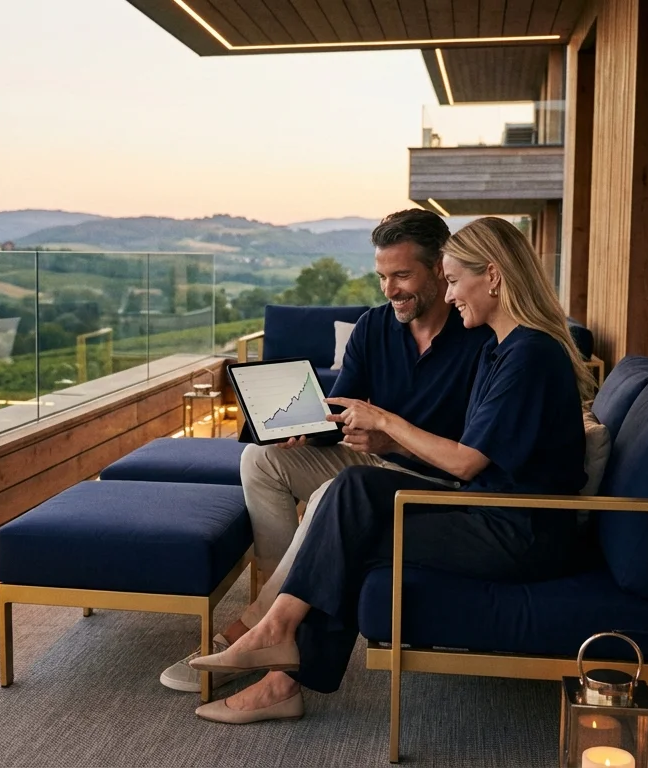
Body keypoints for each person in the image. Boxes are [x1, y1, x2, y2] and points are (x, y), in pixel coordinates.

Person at [189, 216, 596, 723]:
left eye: (452, 281)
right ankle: (278, 655)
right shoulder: (503, 348)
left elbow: (467, 462)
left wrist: (384, 420)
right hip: (491, 512)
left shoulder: (530, 355)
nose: (449, 297)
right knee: (356, 492)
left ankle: (275, 651)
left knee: (354, 513)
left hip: (520, 529)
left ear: (492, 275)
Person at [159, 209, 494, 693]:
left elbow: (469, 455)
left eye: (402, 275)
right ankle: (284, 613)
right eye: (381, 276)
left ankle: (254, 629)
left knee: (330, 495)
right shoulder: (374, 328)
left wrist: (389, 439)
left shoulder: (481, 338)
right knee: (261, 458)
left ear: (441, 268)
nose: (389, 290)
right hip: (370, 463)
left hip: (436, 480)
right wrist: (305, 427)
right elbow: (342, 410)